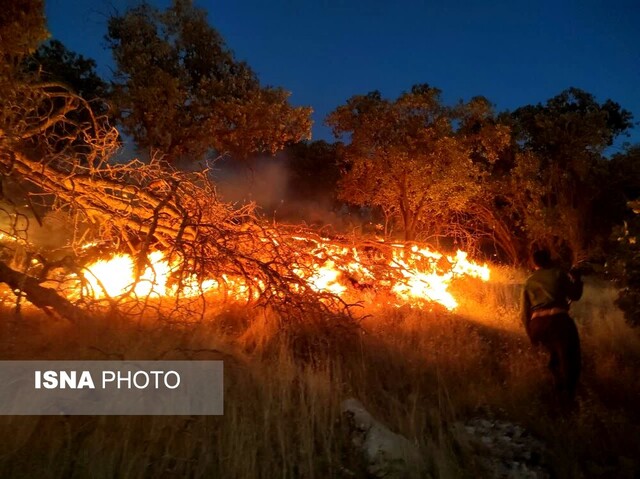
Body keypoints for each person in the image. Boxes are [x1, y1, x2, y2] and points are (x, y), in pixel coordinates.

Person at [521, 248, 583, 402]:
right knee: (570, 358)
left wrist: (530, 334)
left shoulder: (528, 282)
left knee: (553, 359)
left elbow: (524, 313)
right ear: (549, 259)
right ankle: (569, 398)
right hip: (559, 321)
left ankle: (556, 391)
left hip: (537, 325)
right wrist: (577, 279)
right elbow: (575, 295)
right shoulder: (558, 273)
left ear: (533, 262)